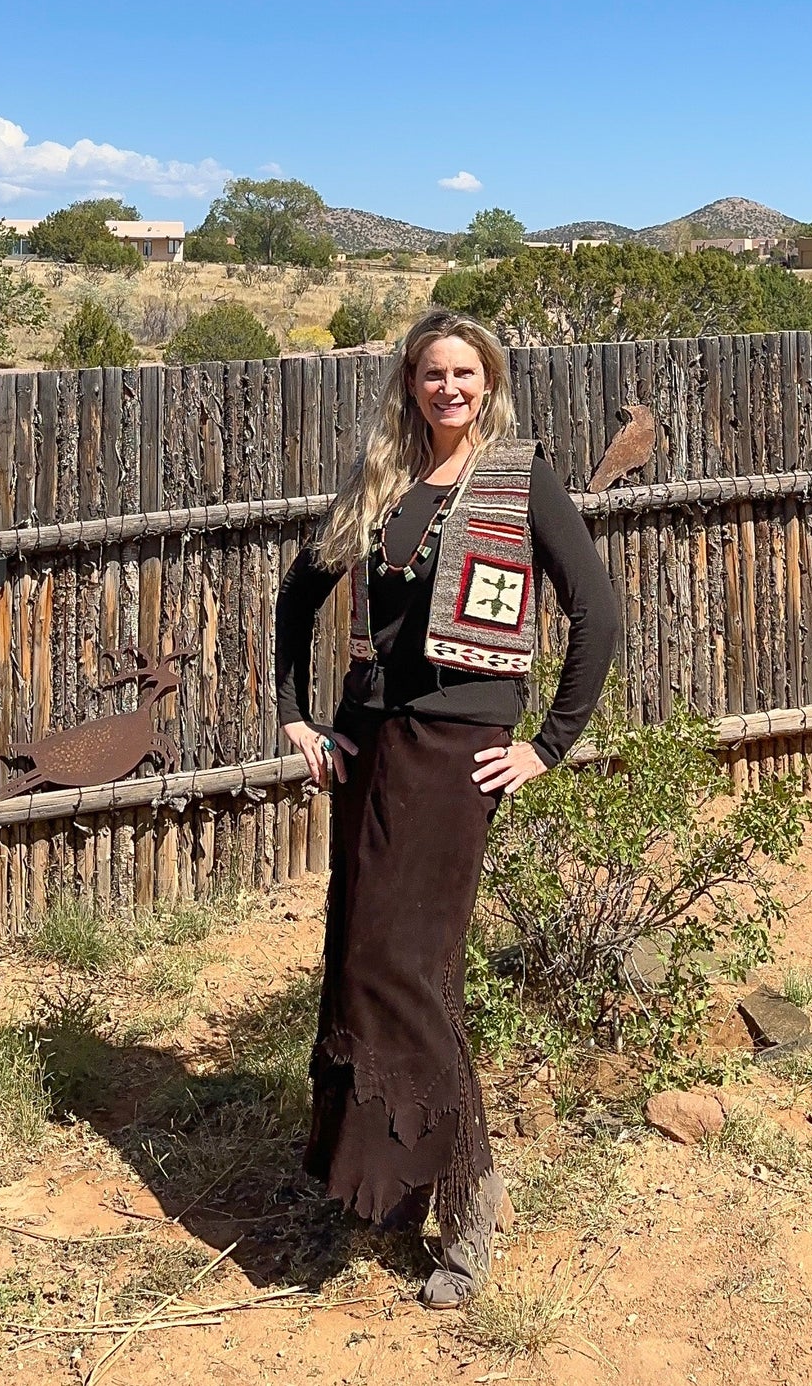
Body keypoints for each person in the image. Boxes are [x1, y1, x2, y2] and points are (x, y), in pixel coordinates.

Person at [275, 309, 619, 1307]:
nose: (448, 387)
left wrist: (548, 744)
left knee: (410, 972)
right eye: (433, 372)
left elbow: (595, 611)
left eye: (464, 371)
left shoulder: (517, 478)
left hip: (457, 750)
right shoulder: (380, 480)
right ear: (409, 383)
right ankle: (375, 1186)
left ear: (489, 380)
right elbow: (299, 594)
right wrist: (296, 715)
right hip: (370, 740)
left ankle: (469, 1203)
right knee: (358, 958)